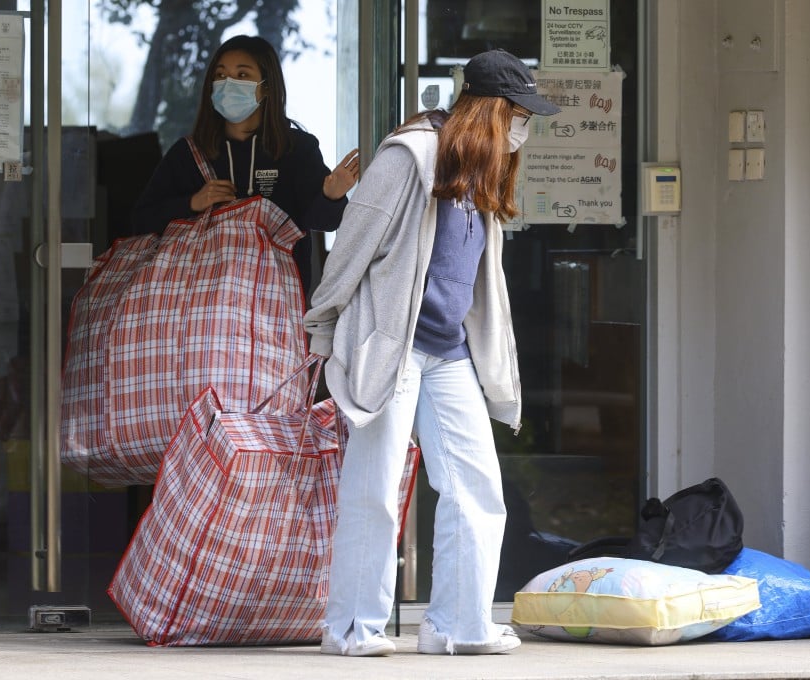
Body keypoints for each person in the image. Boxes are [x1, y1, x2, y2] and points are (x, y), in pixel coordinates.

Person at [304, 49, 560, 657]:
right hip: (390, 346)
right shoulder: (410, 155)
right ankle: (351, 629)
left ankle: (456, 625)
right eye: (520, 113)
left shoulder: (481, 171)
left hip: (449, 353)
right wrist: (322, 330)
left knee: (478, 488)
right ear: (492, 110)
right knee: (375, 486)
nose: (525, 126)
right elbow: (352, 247)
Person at [130, 34, 359, 299]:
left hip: (274, 307)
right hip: (198, 309)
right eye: (221, 75)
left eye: (242, 75)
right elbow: (141, 221)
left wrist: (332, 195)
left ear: (267, 87)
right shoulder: (189, 153)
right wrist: (193, 202)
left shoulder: (296, 149)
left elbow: (323, 222)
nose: (228, 84)